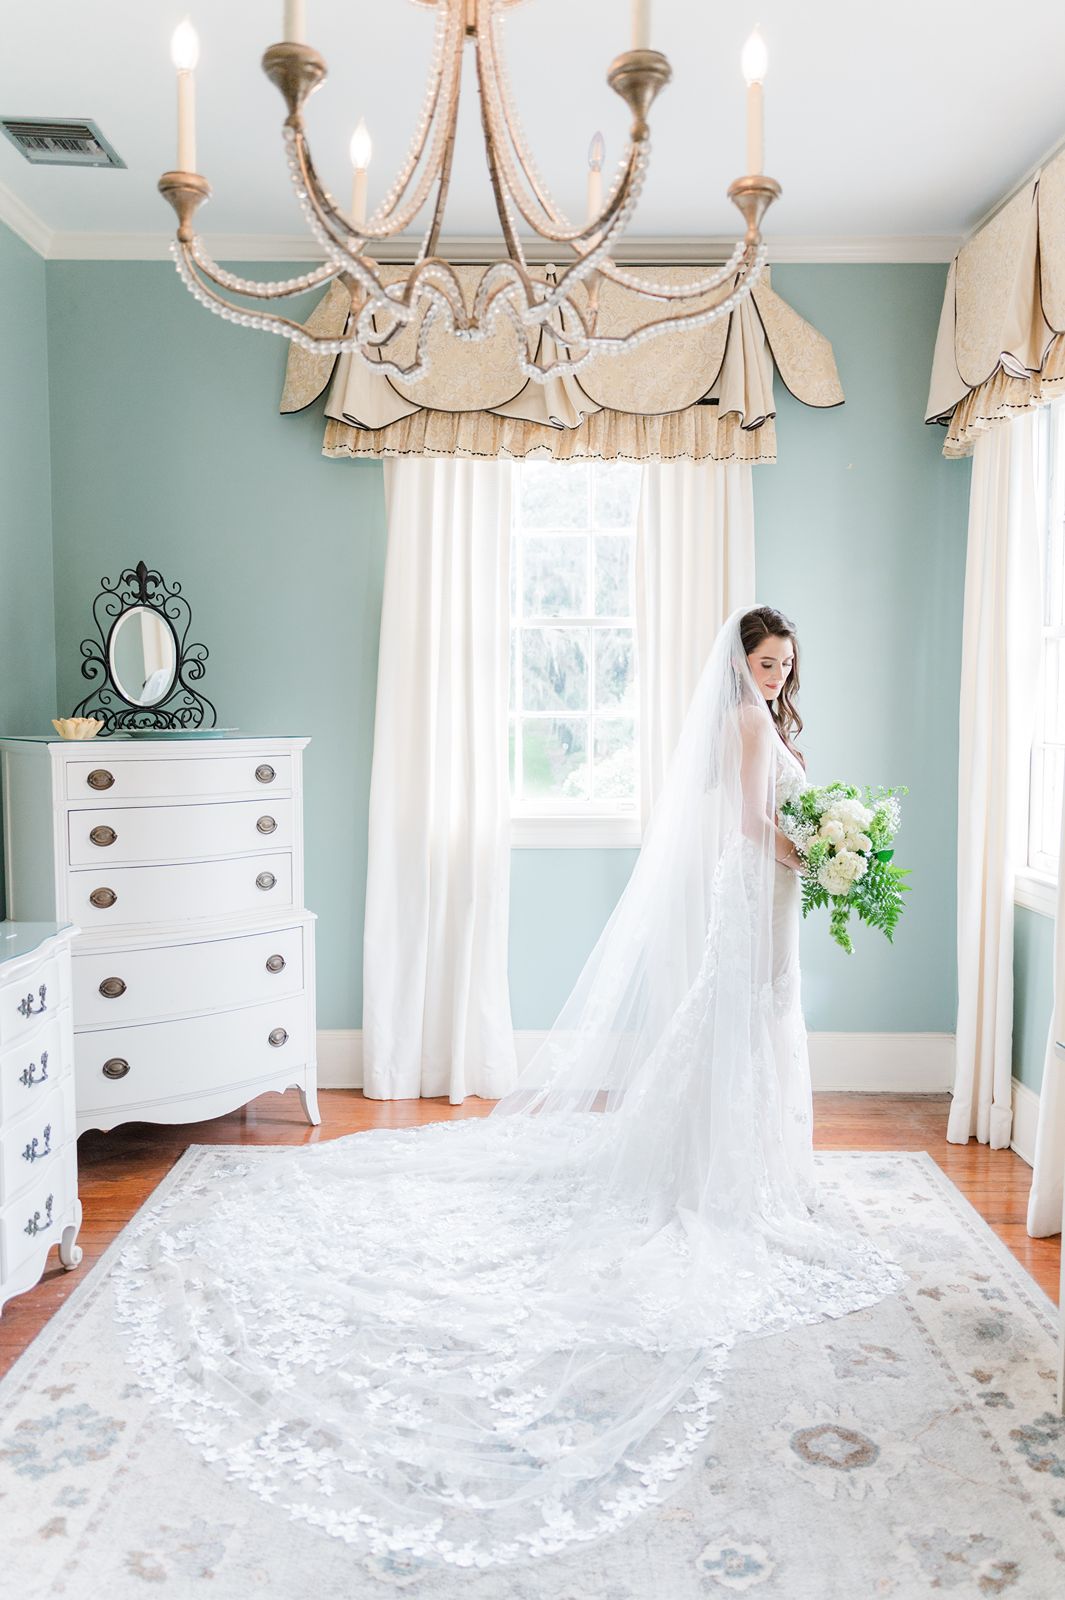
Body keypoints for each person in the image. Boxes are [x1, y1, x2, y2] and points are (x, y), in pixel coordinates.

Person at [114, 602, 906, 1570]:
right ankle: (718, 1176)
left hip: (768, 896)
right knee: (740, 1024)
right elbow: (750, 823)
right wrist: (818, 855)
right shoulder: (746, 721)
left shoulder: (774, 721)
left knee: (758, 1025)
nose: (777, 674)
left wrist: (820, 852)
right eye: (765, 660)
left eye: (786, 662)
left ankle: (753, 1168)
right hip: (757, 889)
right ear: (739, 664)